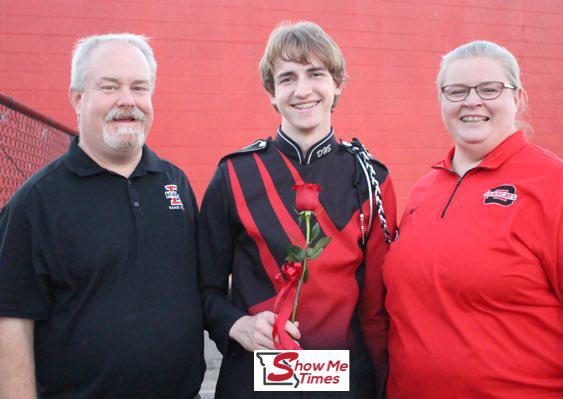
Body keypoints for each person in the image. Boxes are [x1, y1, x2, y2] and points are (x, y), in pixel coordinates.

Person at [383, 40, 563, 398]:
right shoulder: (425, 189)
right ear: (441, 100)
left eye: (489, 89)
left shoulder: (562, 188)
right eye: (456, 91)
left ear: (516, 99)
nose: (472, 101)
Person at [0, 33, 205, 398]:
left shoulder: (175, 183)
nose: (128, 101)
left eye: (139, 88)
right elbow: (12, 321)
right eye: (110, 87)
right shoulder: (35, 204)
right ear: (78, 99)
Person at [199, 21, 397, 398]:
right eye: (287, 78)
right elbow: (204, 290)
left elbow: (376, 310)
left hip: (345, 383)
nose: (302, 90)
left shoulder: (371, 178)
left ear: (337, 84)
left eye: (316, 74)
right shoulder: (233, 174)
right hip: (252, 380)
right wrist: (236, 324)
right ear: (272, 93)